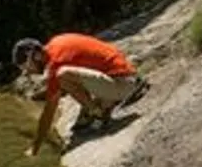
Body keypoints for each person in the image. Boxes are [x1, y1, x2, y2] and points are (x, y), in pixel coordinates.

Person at [14, 33, 148, 157]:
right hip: (122, 75)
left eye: (27, 67)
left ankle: (97, 114)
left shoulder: (55, 64)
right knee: (65, 80)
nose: (28, 72)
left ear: (36, 56)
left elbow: (49, 112)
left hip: (122, 84)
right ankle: (97, 109)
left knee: (63, 75)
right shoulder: (56, 43)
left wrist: (35, 148)